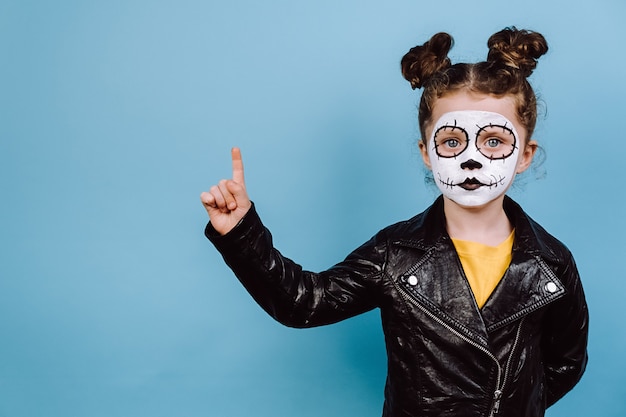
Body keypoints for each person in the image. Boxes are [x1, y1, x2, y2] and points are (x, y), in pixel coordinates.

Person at [200, 27, 588, 417]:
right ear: (426, 152)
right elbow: (306, 303)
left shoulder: (551, 264)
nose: (472, 159)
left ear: (524, 154)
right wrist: (241, 232)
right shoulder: (395, 253)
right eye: (452, 141)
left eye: (494, 141)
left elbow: (565, 363)